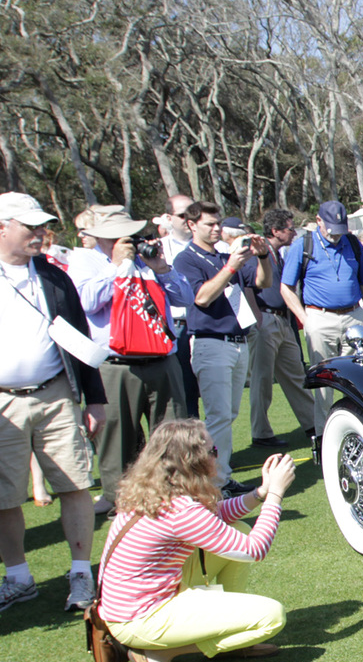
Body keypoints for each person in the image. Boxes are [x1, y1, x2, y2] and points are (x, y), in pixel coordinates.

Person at [96, 419, 296, 662]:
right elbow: (254, 550)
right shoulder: (181, 510)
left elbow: (217, 516)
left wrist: (258, 493)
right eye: (213, 451)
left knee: (236, 526)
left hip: (127, 606)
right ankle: (158, 655)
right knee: (271, 617)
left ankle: (225, 641)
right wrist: (275, 495)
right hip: (140, 618)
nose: (218, 455)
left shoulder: (156, 490)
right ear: (195, 462)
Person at [0, 192, 108, 613]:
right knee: (5, 495)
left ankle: (81, 572)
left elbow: (80, 339)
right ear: (3, 228)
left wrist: (95, 400)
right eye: (30, 227)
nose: (41, 234)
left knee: (75, 484)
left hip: (57, 392)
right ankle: (18, 577)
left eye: (42, 226)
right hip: (4, 403)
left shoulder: (53, 276)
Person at [72, 210, 192, 516]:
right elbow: (87, 301)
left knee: (173, 431)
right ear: (99, 236)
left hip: (162, 359)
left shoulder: (147, 259)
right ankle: (118, 498)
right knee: (117, 436)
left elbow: (185, 299)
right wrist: (119, 265)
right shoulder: (87, 260)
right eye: (117, 235)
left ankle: (173, 493)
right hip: (116, 363)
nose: (127, 241)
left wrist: (162, 269)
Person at [173, 200, 274, 496]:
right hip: (209, 341)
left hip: (237, 341)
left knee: (228, 415)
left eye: (218, 223)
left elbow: (262, 282)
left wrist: (263, 256)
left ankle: (221, 476)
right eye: (209, 224)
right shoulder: (186, 259)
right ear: (192, 225)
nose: (216, 229)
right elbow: (201, 297)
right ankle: (215, 481)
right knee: (218, 415)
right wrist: (231, 265)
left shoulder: (221, 256)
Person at [278, 199, 363, 435]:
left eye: (340, 230)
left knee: (357, 378)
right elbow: (286, 287)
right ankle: (326, 437)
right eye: (332, 230)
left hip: (354, 316)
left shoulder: (352, 243)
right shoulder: (303, 244)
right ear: (318, 221)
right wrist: (306, 319)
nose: (336, 235)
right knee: (324, 384)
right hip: (319, 317)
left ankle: (359, 431)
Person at [247, 209, 310, 448]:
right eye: (289, 228)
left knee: (296, 373)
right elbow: (248, 286)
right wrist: (257, 319)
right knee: (262, 379)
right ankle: (260, 431)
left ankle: (312, 423)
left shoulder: (279, 255)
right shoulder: (258, 253)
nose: (293, 233)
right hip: (265, 318)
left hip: (283, 320)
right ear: (275, 231)